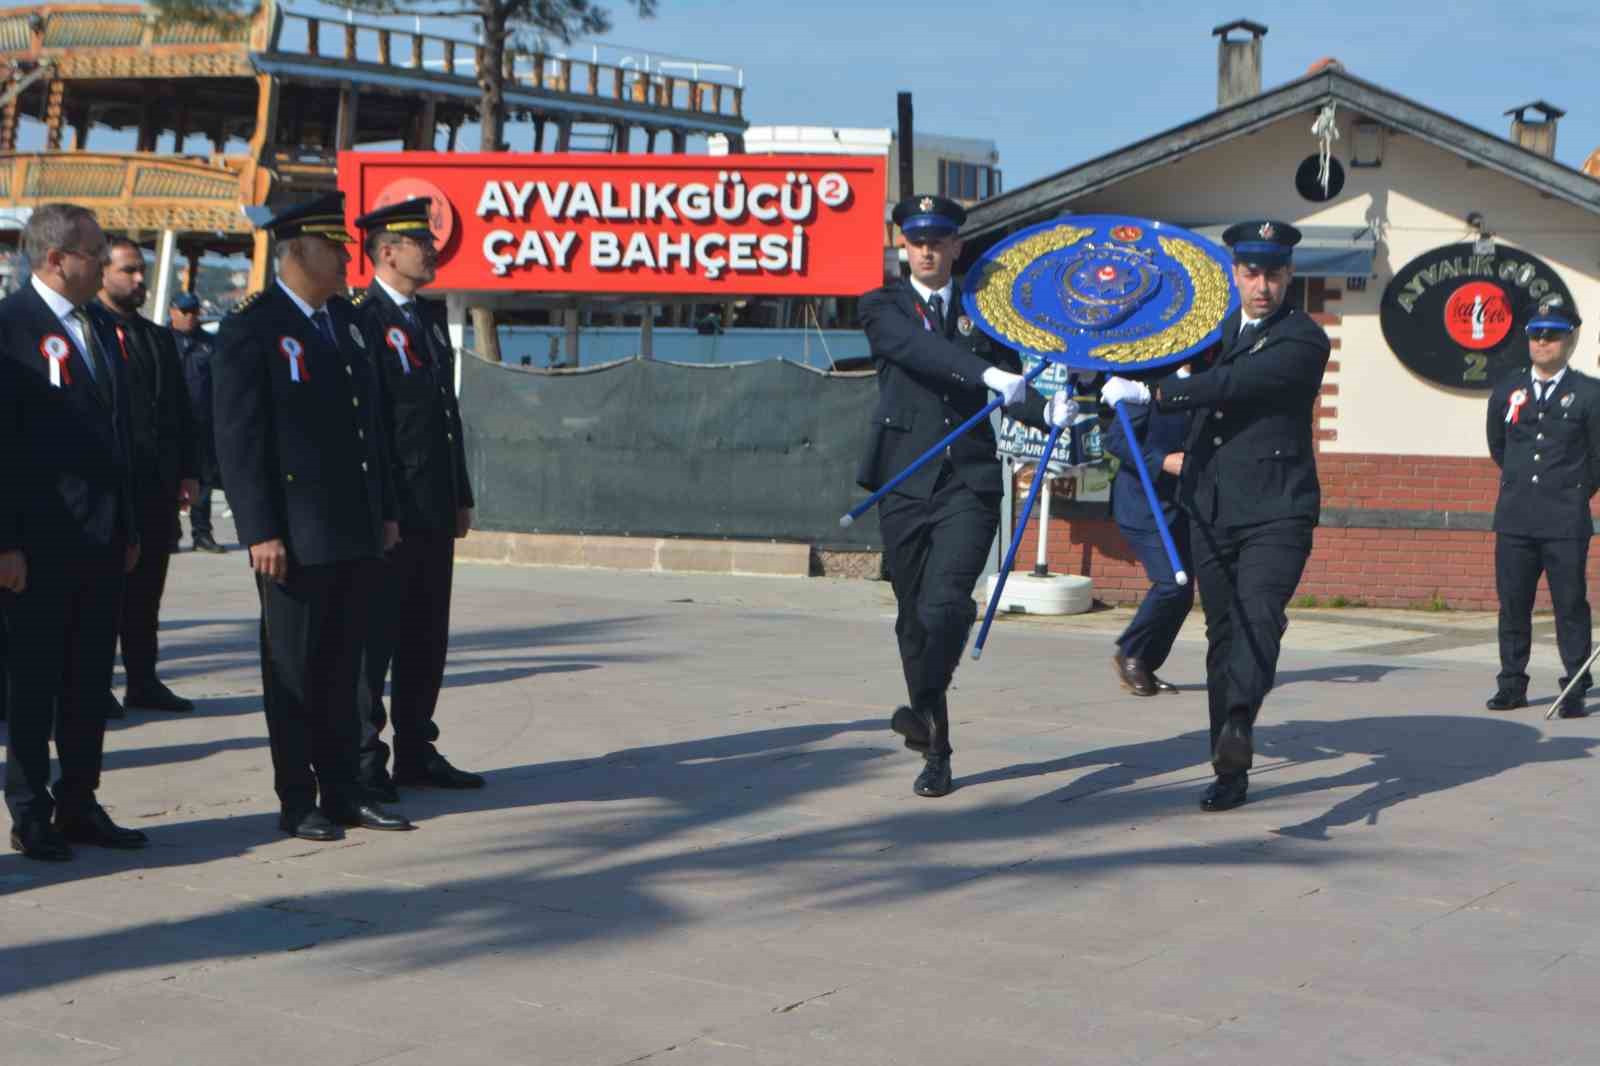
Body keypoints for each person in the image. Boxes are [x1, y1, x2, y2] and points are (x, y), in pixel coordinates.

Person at [1101, 220, 1330, 812]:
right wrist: (1111, 376)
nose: (1263, 285)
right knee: (1222, 633)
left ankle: (1237, 726)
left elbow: (1237, 383)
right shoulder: (1212, 332)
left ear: (1289, 276)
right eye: (1252, 273)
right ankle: (1228, 770)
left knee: (1258, 616)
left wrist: (1156, 395)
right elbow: (1159, 349)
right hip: (1211, 508)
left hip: (1277, 509)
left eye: (1274, 274)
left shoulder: (1304, 339)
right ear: (1235, 274)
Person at [857, 193, 1075, 798]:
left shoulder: (985, 312)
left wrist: (1047, 408)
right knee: (912, 617)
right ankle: (934, 738)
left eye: (940, 239)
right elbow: (917, 352)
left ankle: (923, 715)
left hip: (969, 480)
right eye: (917, 238)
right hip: (904, 477)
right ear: (902, 243)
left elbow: (1014, 385)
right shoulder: (882, 305)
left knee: (947, 602)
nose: (927, 249)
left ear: (957, 246)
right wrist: (988, 376)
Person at [212, 193, 414, 842]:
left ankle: (345, 790)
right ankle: (298, 799)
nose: (347, 258)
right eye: (336, 247)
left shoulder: (347, 324)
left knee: (344, 670)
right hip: (294, 536)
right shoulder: (254, 325)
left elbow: (369, 434)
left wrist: (381, 513)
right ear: (298, 251)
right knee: (295, 675)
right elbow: (240, 441)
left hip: (351, 530)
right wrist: (259, 530)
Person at [0, 203, 146, 860]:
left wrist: (131, 525)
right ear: (56, 259)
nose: (103, 263)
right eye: (94, 252)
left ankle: (79, 801)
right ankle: (30, 809)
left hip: (102, 538)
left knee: (89, 682)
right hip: (38, 542)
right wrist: (5, 542)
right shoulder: (11, 327)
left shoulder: (98, 329)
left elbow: (116, 439)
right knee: (32, 684)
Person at [351, 197, 484, 800]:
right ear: (386, 252)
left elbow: (445, 416)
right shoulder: (362, 319)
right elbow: (371, 427)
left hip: (433, 506)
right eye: (419, 243)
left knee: (427, 635)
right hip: (392, 513)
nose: (432, 251)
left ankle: (417, 748)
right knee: (375, 637)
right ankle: (364, 756)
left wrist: (459, 494)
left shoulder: (428, 317)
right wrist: (381, 510)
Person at [1484, 296, 1600, 718]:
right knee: (1513, 603)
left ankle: (1573, 685)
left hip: (1565, 518)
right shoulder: (1507, 388)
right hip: (1515, 517)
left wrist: (1570, 492)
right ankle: (1511, 683)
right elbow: (1499, 445)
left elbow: (1597, 458)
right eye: (1536, 335)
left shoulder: (1588, 393)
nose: (1542, 343)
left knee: (1570, 603)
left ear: (1570, 341)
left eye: (1552, 337)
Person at [99, 237, 199, 714]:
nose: (139, 280)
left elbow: (182, 412)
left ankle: (143, 680)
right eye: (129, 271)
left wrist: (189, 472)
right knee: (101, 595)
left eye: (142, 271)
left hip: (155, 489)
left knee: (147, 594)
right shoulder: (88, 334)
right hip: (107, 488)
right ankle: (92, 685)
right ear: (102, 272)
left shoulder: (157, 338)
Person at [1102, 377, 1194, 696]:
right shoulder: (1146, 388)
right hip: (1143, 505)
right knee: (1170, 584)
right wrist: (1161, 461)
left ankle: (1145, 663)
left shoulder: (1208, 382)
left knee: (1182, 593)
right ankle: (1129, 652)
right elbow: (1116, 440)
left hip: (1179, 505)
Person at [172, 290, 225, 554]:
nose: (190, 317)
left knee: (204, 480)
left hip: (202, 421)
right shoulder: (162, 340)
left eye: (194, 311)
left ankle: (202, 533)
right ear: (172, 311)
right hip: (170, 422)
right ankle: (170, 531)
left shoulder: (210, 343)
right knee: (169, 477)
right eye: (184, 311)